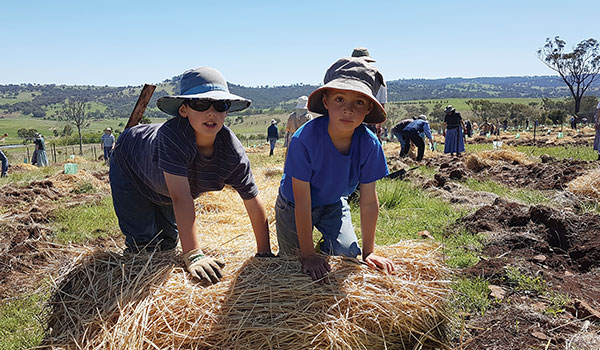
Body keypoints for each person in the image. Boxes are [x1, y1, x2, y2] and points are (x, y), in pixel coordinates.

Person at [109, 67, 273, 284]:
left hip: (169, 187)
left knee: (168, 241)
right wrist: (194, 254)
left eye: (219, 105)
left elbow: (252, 199)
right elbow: (181, 198)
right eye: (200, 104)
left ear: (227, 110)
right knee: (144, 243)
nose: (211, 112)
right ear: (184, 110)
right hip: (130, 165)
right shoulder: (173, 137)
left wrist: (264, 254)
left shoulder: (232, 152)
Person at [275, 57, 395, 282]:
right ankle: (312, 250)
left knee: (350, 255)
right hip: (293, 205)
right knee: (292, 263)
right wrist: (308, 255)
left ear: (369, 108)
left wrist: (369, 252)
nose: (348, 109)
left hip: (333, 203)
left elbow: (368, 200)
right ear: (326, 102)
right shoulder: (304, 140)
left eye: (359, 102)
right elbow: (302, 201)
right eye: (340, 99)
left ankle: (327, 244)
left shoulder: (369, 144)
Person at [351, 47, 387, 139]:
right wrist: (378, 125)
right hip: (368, 121)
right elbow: (381, 105)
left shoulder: (347, 78)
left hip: (351, 120)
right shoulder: (379, 77)